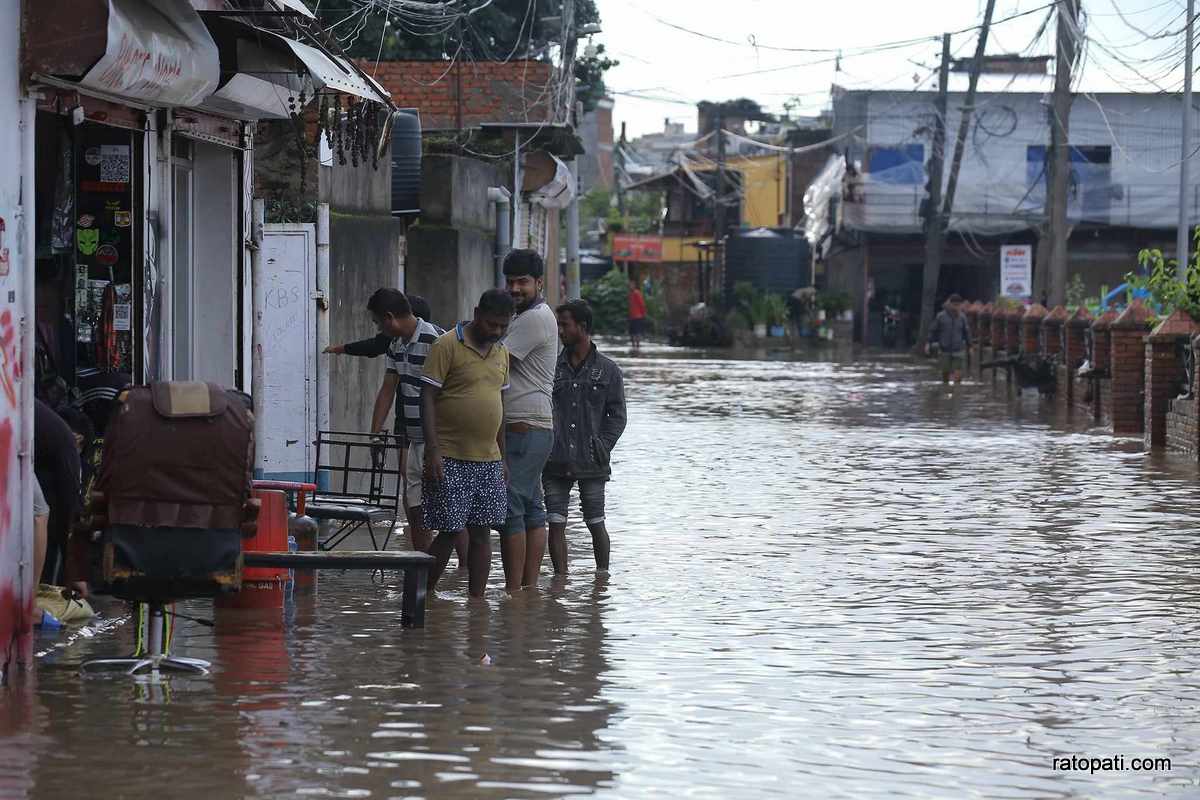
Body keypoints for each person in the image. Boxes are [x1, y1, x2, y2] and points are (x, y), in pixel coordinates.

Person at [325, 292, 462, 559]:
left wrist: (438, 444)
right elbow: (388, 389)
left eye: (378, 322)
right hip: (412, 436)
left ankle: (461, 571)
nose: (378, 328)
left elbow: (451, 391)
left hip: (440, 439)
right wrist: (375, 433)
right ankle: (423, 567)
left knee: (450, 510)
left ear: (389, 319)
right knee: (414, 505)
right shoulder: (396, 344)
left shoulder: (437, 341)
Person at [420, 289, 513, 598]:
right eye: (491, 324)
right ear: (476, 314)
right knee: (448, 531)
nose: (497, 332)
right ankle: (423, 597)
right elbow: (427, 397)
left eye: (503, 326)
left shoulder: (501, 352)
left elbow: (500, 403)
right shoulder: (446, 345)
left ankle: (477, 603)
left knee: (483, 534)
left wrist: (503, 457)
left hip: (489, 459)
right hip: (449, 456)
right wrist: (432, 450)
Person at [543, 300, 627, 574]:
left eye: (565, 325)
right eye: (558, 325)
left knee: (595, 521)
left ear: (583, 327)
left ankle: (602, 581)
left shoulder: (608, 370)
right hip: (555, 460)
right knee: (555, 522)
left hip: (592, 462)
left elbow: (617, 415)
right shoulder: (553, 369)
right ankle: (560, 581)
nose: (560, 331)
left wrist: (603, 444)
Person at [499, 249, 559, 592]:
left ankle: (513, 591)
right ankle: (528, 591)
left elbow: (495, 360)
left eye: (522, 282)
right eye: (510, 282)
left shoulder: (533, 319)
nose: (515, 288)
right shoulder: (532, 316)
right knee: (532, 507)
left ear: (538, 282)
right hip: (535, 426)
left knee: (511, 509)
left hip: (524, 424)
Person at [926, 293, 971, 385]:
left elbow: (967, 332)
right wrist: (928, 343)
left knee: (958, 372)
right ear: (949, 304)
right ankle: (946, 389)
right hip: (944, 349)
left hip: (958, 349)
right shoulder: (941, 316)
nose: (956, 307)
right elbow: (933, 330)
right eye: (954, 305)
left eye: (958, 305)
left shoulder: (962, 317)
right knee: (945, 374)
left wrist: (970, 346)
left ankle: (956, 390)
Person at [628, 277, 648, 353]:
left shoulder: (637, 293)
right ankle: (634, 347)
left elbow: (642, 304)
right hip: (632, 317)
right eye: (629, 285)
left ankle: (637, 347)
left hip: (638, 316)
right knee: (632, 333)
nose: (630, 286)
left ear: (634, 285)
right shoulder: (630, 294)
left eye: (631, 284)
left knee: (637, 333)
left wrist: (643, 314)